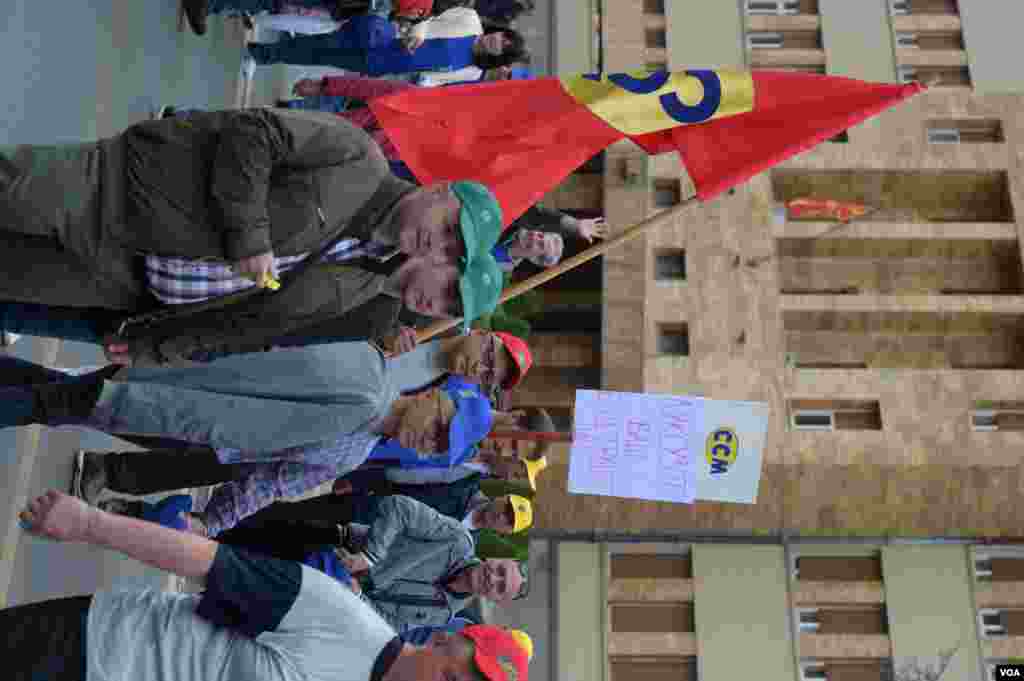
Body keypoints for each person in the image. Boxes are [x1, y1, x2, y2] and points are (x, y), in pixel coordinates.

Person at [0, 106, 508, 363]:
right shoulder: (357, 157)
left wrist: (158, 348)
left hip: (119, 281)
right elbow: (252, 133)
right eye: (447, 228)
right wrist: (249, 237)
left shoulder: (364, 283)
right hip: (110, 191)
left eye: (450, 253)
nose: (436, 245)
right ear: (438, 191)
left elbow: (253, 323)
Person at [11, 488, 531, 681]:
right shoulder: (338, 617)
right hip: (93, 652)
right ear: (443, 641)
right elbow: (209, 563)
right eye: (450, 679)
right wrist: (89, 525)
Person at [64, 368, 496, 536]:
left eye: (440, 448)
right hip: (202, 386)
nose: (429, 442)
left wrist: (211, 521)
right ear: (434, 397)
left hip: (217, 447)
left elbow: (271, 482)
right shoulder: (365, 375)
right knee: (76, 397)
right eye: (439, 428)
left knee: (81, 406)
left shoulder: (353, 454)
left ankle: (110, 470)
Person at [247, 18, 527, 76]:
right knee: (320, 42)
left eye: (504, 46)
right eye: (503, 36)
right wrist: (418, 32)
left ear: (499, 56)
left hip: (380, 66)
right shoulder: (469, 20)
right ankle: (262, 53)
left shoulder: (471, 72)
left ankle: (266, 58)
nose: (498, 40)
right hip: (381, 39)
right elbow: (429, 18)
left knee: (318, 57)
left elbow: (431, 80)